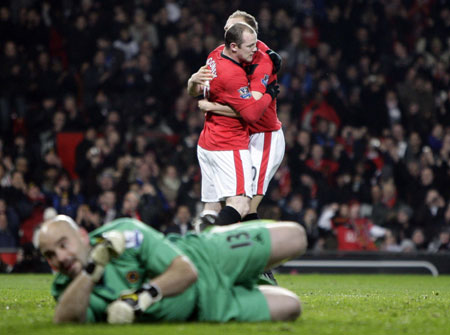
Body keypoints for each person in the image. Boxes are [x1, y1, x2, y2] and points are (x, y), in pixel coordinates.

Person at [38, 214, 307, 323]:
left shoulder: (124, 232)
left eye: (64, 244)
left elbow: (185, 271)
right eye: (51, 255)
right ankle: (251, 279)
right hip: (207, 307)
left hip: (204, 256)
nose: (60, 257)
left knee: (296, 237)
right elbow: (64, 321)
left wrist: (138, 298)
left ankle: (251, 268)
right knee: (291, 307)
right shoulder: (68, 287)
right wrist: (92, 268)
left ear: (83, 236)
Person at [194, 10, 285, 225]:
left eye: (234, 28)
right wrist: (194, 82)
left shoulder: (262, 61)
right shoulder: (220, 53)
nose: (227, 32)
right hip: (238, 136)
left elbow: (251, 111)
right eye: (227, 29)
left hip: (263, 136)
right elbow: (201, 86)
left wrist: (212, 107)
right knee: (231, 205)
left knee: (244, 204)